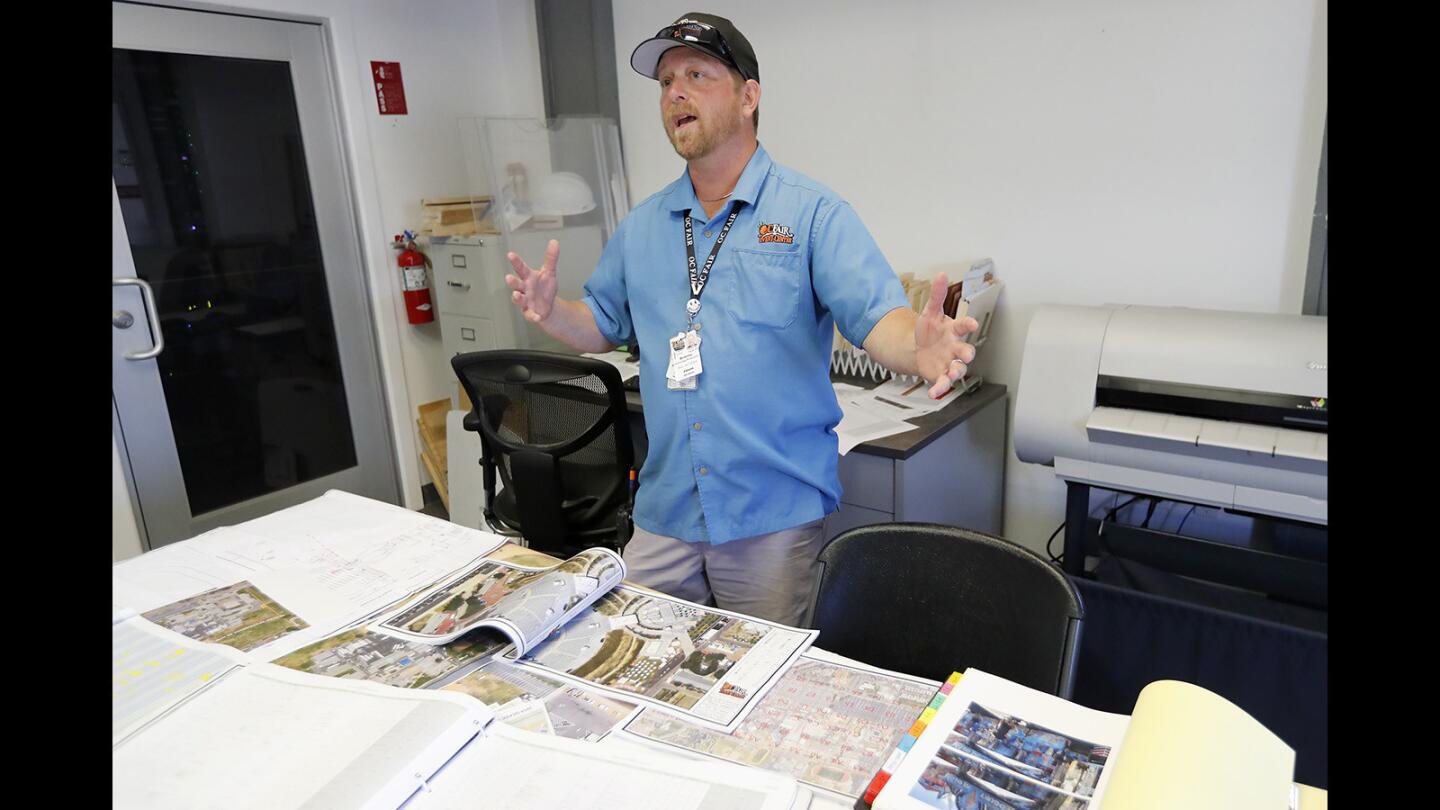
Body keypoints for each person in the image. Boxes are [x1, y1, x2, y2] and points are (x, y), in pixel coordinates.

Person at [504, 12, 978, 626]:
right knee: (640, 672)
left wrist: (920, 349)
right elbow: (601, 321)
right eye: (666, 81)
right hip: (664, 511)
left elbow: (876, 318)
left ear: (749, 97)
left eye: (696, 74)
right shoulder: (644, 226)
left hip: (770, 520)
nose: (675, 92)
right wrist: (552, 313)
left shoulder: (813, 215)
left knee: (759, 695)